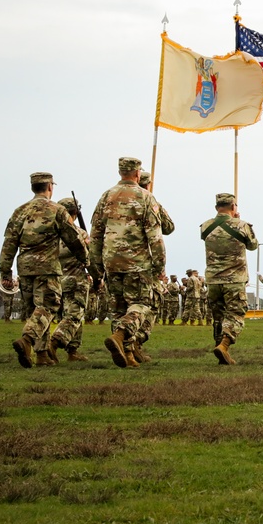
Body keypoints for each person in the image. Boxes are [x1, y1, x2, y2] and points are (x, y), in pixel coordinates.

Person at [0, 172, 88, 367]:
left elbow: (9, 243)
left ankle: (42, 356)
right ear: (50, 187)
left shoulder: (19, 211)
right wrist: (86, 259)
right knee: (48, 307)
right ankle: (27, 340)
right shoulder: (56, 210)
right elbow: (73, 239)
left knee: (35, 312)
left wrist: (5, 271)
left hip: (25, 268)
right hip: (47, 268)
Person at [90, 157, 166, 368]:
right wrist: (160, 266)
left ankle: (128, 354)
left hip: (111, 261)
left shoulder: (106, 196)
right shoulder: (145, 197)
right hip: (137, 262)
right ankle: (121, 334)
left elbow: (96, 232)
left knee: (118, 308)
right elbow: (155, 236)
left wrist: (96, 264)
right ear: (137, 174)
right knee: (141, 304)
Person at [202, 193, 258, 365]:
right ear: (234, 207)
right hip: (234, 279)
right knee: (235, 314)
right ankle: (224, 345)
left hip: (213, 279)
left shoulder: (205, 226)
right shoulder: (241, 226)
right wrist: (238, 221)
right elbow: (253, 245)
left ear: (216, 207)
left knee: (218, 317)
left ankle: (220, 351)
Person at [48, 197, 92, 362]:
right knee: (74, 315)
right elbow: (90, 257)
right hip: (76, 280)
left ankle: (72, 351)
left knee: (68, 316)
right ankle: (55, 342)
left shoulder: (52, 235)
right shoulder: (79, 233)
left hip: (57, 281)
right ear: (75, 212)